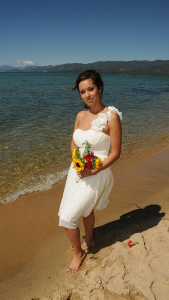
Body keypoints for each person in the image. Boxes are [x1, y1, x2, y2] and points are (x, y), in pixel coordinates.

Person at [58, 70, 122, 273]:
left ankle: (78, 253)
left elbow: (116, 152)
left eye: (90, 89)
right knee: (86, 210)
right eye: (82, 91)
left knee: (67, 217)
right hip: (76, 172)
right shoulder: (80, 115)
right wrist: (77, 163)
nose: (87, 95)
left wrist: (93, 171)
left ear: (100, 88)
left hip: (97, 172)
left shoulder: (111, 117)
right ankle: (90, 240)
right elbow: (73, 145)